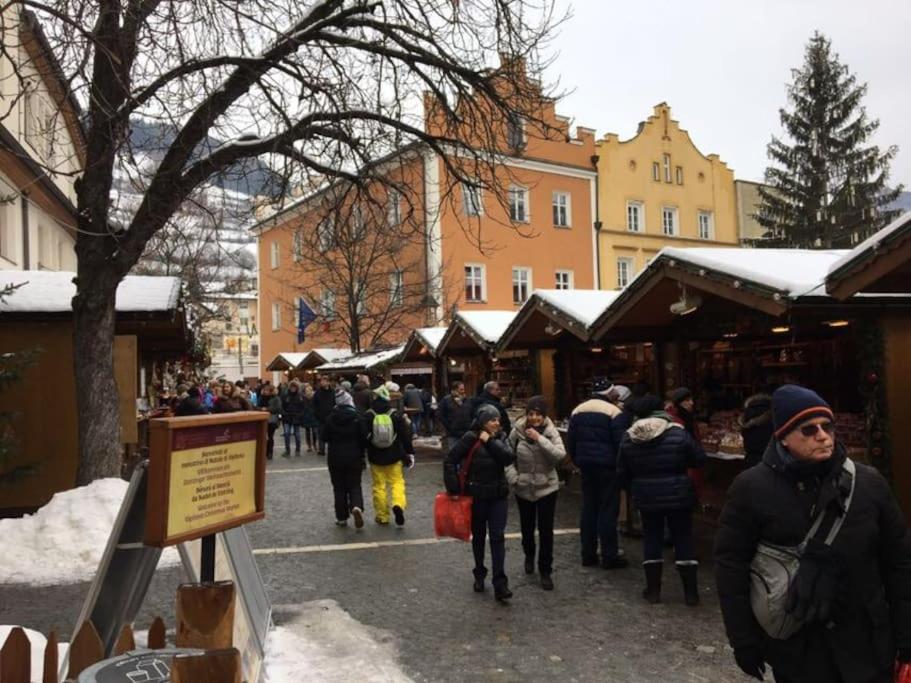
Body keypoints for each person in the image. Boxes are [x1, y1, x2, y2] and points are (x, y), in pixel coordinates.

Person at [714, 384, 911, 683]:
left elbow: (899, 564)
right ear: (783, 437)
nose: (822, 435)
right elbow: (731, 566)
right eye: (808, 430)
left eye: (827, 426)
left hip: (868, 646)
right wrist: (743, 640)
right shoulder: (751, 488)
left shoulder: (869, 484)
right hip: (800, 652)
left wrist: (906, 636)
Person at [618, 394, 706, 605]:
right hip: (678, 493)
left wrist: (636, 487)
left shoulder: (629, 437)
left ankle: (653, 590)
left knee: (652, 538)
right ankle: (691, 593)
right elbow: (698, 459)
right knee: (683, 537)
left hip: (646, 495)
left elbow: (622, 472)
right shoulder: (677, 432)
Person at [444, 404, 515, 602]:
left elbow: (508, 458)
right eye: (493, 420)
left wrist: (490, 441)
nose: (497, 423)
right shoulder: (469, 437)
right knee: (478, 537)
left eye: (498, 419)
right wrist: (454, 490)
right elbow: (450, 460)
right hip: (475, 497)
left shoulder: (500, 437)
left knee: (498, 537)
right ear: (483, 421)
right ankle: (479, 573)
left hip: (498, 496)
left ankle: (500, 583)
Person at [566, 377, 628, 569]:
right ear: (608, 393)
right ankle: (609, 555)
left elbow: (572, 440)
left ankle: (588, 553)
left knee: (589, 508)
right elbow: (621, 444)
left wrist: (577, 460)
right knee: (608, 509)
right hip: (608, 467)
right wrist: (621, 467)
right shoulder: (614, 412)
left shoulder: (578, 410)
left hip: (586, 465)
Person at [506, 396, 566, 590]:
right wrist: (514, 478)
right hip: (523, 488)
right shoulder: (517, 431)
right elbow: (506, 456)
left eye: (538, 414)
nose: (534, 418)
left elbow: (559, 456)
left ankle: (545, 570)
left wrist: (540, 439)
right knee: (527, 528)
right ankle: (529, 555)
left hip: (546, 487)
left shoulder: (550, 431)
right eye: (531, 414)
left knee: (546, 530)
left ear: (544, 415)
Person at [364, 385, 415, 526]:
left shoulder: (368, 415)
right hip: (394, 456)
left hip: (375, 457)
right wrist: (409, 453)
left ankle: (382, 516)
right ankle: (398, 503)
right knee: (397, 482)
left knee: (379, 486)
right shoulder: (395, 414)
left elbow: (363, 437)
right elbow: (405, 436)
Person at [322, 388, 367, 527]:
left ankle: (341, 517)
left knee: (339, 487)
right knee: (355, 484)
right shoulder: (357, 417)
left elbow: (324, 437)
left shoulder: (330, 418)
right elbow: (364, 438)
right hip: (354, 456)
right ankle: (356, 506)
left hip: (335, 457)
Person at [739, 392, 774, 468]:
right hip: (768, 457)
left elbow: (744, 433)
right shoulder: (773, 415)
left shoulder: (747, 413)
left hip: (750, 455)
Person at [438, 382, 472, 453]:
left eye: (463, 389)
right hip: (453, 433)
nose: (463, 391)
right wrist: (449, 426)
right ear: (455, 390)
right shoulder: (446, 400)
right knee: (454, 453)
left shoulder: (467, 400)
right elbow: (441, 415)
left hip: (466, 432)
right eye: (461, 389)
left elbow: (471, 412)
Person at [281, 380, 305, 456]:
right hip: (287, 417)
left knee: (297, 434)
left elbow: (303, 407)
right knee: (287, 433)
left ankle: (298, 449)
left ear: (296, 388)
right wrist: (284, 414)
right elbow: (282, 406)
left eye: (294, 387)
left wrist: (300, 415)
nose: (293, 388)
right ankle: (287, 450)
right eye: (292, 387)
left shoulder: (300, 396)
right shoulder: (285, 395)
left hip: (296, 417)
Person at [312, 376, 335, 455]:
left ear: (328, 382)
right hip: (320, 417)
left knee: (331, 434)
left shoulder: (333, 392)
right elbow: (314, 404)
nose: (322, 383)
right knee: (321, 434)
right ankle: (321, 450)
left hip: (331, 417)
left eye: (324, 381)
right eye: (321, 381)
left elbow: (335, 403)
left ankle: (331, 449)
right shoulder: (318, 392)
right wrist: (316, 414)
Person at [258, 383, 282, 460]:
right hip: (262, 419)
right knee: (263, 437)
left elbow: (277, 408)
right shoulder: (261, 398)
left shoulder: (276, 398)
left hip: (271, 420)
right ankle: (264, 451)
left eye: (267, 390)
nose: (265, 391)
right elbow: (258, 406)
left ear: (271, 391)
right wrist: (261, 409)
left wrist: (267, 409)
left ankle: (270, 452)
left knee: (270, 436)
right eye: (264, 390)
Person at [301, 383, 320, 453]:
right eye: (307, 391)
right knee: (308, 432)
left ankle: (314, 444)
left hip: (314, 415)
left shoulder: (315, 397)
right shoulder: (303, 398)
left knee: (315, 431)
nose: (308, 392)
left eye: (309, 390)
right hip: (306, 416)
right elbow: (302, 407)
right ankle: (309, 446)